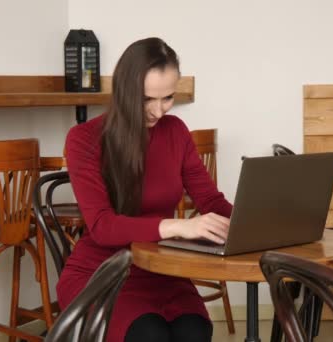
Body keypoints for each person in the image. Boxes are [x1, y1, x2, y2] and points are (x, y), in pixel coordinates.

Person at [57, 37, 233, 342]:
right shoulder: (84, 139)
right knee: (149, 335)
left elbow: (209, 199)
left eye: (167, 98)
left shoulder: (176, 131)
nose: (159, 110)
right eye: (147, 99)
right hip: (105, 272)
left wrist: (253, 223)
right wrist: (178, 226)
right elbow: (102, 226)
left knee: (195, 331)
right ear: (125, 91)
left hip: (160, 269)